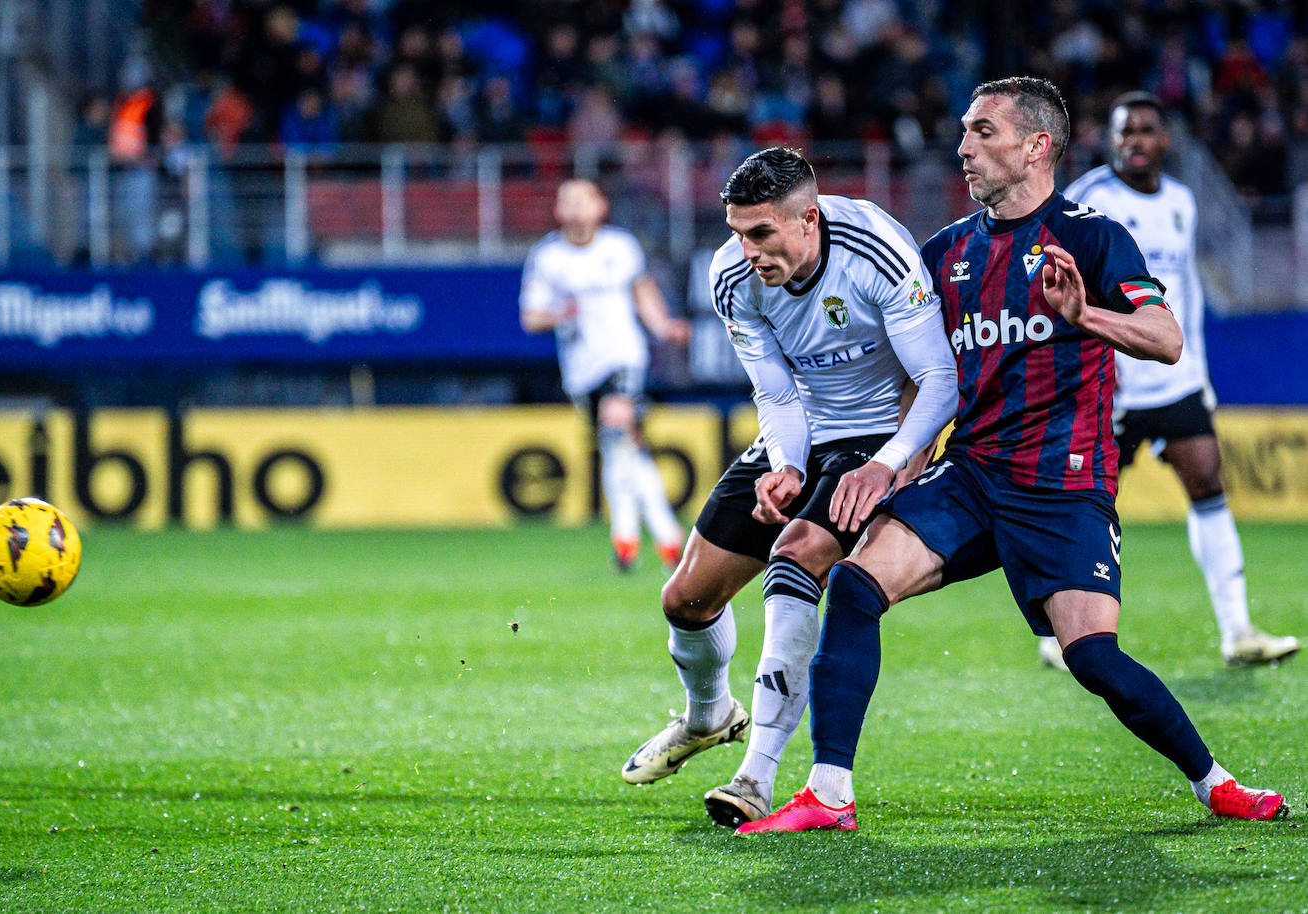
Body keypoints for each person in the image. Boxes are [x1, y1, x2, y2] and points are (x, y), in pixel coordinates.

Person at [741, 77, 1287, 835]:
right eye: (964, 131)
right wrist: (894, 465)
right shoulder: (944, 254)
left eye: (983, 132)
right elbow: (920, 379)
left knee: (1093, 656)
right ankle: (830, 791)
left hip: (1063, 488)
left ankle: (1214, 782)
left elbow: (1166, 339)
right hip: (969, 475)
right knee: (856, 587)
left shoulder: (1092, 235)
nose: (963, 147)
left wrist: (1082, 313)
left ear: (1037, 146)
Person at [620, 147, 957, 828]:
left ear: (808, 218)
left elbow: (939, 381)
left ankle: (757, 776)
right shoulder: (732, 277)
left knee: (795, 556)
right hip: (807, 426)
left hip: (880, 436)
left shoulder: (877, 250)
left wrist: (888, 463)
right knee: (685, 599)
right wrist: (788, 466)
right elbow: (774, 390)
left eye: (761, 233)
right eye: (737, 232)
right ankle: (709, 715)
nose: (746, 250)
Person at [1033, 91, 1298, 670]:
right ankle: (1060, 632)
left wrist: (1198, 370)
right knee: (1086, 503)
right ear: (1112, 140)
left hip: (1173, 381)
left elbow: (1187, 296)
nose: (1135, 141)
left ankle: (1238, 631)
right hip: (1110, 382)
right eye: (1125, 132)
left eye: (1146, 131)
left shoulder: (1181, 200)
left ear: (1164, 139)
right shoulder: (1089, 200)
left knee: (1207, 481)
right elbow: (1061, 293)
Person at [520, 179, 690, 571]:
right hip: (581, 370)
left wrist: (663, 327)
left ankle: (641, 538)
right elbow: (531, 316)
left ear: (600, 206)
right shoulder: (548, 257)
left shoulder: (619, 247)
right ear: (559, 211)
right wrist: (558, 313)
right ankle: (653, 539)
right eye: (569, 201)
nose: (577, 208)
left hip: (624, 357)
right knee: (622, 449)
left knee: (618, 435)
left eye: (585, 200)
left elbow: (642, 292)